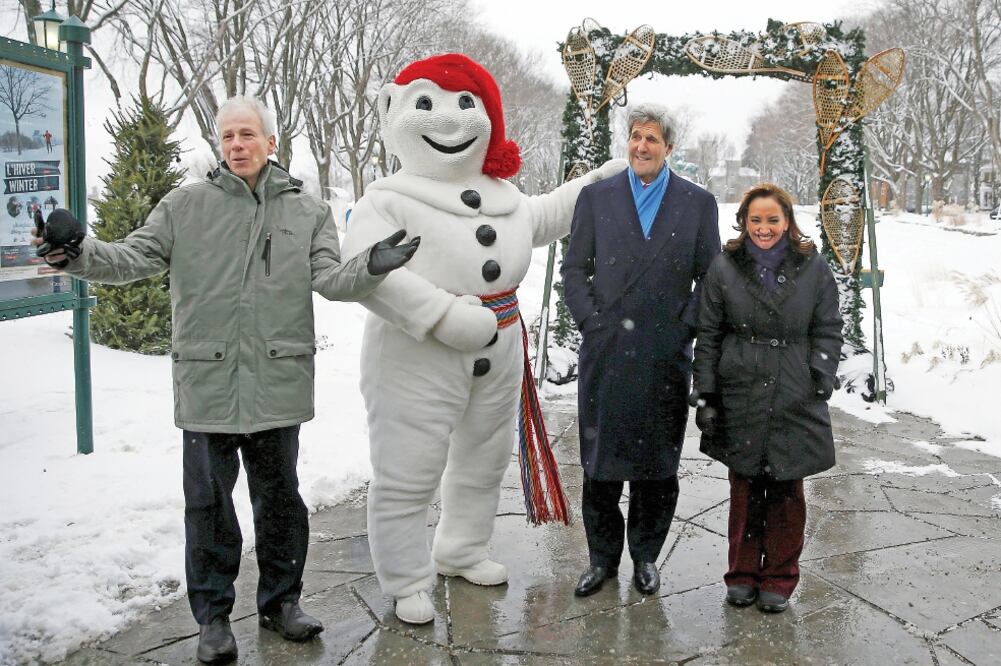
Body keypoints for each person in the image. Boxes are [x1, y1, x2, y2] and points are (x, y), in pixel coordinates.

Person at [32, 96, 419, 664]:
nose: (236, 145)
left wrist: (373, 265)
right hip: (208, 383)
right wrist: (76, 252)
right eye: (227, 137)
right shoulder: (185, 205)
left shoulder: (306, 209)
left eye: (246, 135)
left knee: (281, 502)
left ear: (270, 143)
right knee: (208, 507)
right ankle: (213, 619)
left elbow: (331, 280)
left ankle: (281, 603)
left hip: (276, 381)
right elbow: (130, 258)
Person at [340, 53, 625, 625]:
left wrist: (591, 186)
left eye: (466, 103)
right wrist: (445, 316)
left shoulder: (504, 194)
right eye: (427, 103)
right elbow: (368, 274)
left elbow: (541, 216)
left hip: (498, 353)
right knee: (409, 470)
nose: (450, 119)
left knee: (482, 461)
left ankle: (462, 548)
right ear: (394, 110)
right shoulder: (387, 199)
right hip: (416, 356)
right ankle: (406, 577)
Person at [562, 102, 721, 598]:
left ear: (668, 147)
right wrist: (592, 322)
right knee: (601, 463)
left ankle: (647, 556)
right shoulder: (596, 198)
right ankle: (601, 558)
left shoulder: (697, 203)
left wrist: (682, 329)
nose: (641, 146)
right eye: (635, 136)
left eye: (652, 138)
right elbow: (573, 270)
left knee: (657, 465)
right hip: (608, 353)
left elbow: (710, 278)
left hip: (662, 354)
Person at [692, 182, 842, 613]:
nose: (764, 228)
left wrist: (820, 375)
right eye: (755, 220)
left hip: (794, 386)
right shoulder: (725, 268)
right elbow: (709, 333)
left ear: (787, 221)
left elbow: (828, 325)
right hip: (741, 386)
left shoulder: (811, 266)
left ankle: (779, 576)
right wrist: (706, 393)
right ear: (744, 222)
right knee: (744, 488)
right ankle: (741, 574)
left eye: (772, 219)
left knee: (785, 491)